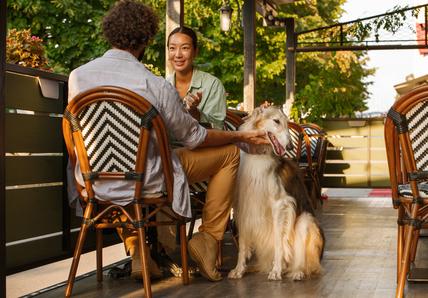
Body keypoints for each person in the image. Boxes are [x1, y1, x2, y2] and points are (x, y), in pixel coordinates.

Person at [67, 0, 268, 282]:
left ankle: (139, 250)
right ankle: (208, 238)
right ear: (146, 39)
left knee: (124, 183)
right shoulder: (155, 84)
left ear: (110, 32)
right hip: (146, 181)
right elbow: (194, 136)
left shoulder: (77, 78)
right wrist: (240, 135)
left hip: (93, 181)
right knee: (231, 154)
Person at [166, 26, 226, 130]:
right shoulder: (163, 85)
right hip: (166, 146)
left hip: (203, 146)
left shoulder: (213, 85)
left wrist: (195, 113)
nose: (178, 54)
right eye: (172, 48)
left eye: (185, 48)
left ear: (195, 52)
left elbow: (218, 128)